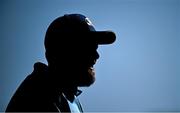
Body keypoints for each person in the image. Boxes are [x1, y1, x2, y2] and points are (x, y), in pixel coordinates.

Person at [5, 13, 116, 112]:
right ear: (62, 51)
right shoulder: (37, 95)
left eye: (95, 48)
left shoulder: (69, 96)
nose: (96, 55)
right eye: (87, 48)